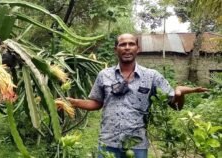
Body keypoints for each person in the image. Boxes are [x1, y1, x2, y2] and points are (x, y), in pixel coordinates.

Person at [64, 33, 208, 158]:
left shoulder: (151, 76)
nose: (127, 47)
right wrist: (73, 102)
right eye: (122, 44)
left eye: (131, 44)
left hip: (137, 144)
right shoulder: (104, 75)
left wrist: (179, 93)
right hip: (108, 141)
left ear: (137, 49)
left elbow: (176, 106)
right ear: (116, 49)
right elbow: (97, 103)